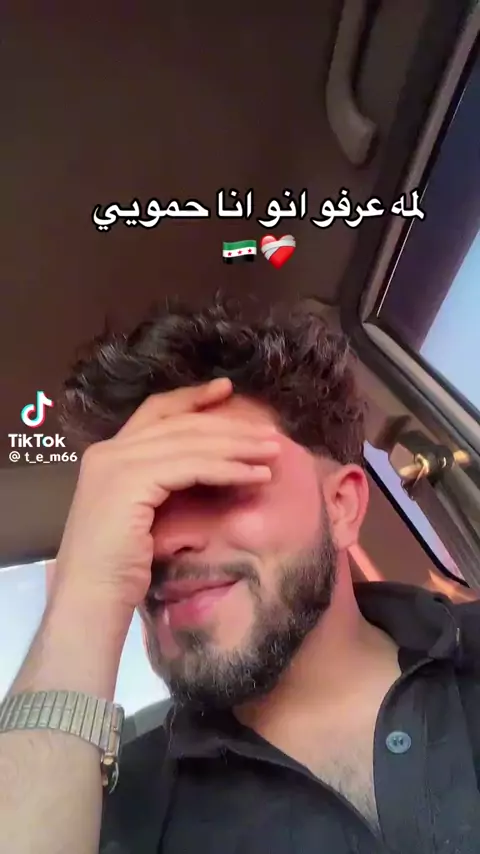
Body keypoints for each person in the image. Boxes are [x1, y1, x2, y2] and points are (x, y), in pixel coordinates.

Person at [1, 300, 479, 854]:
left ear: (342, 506)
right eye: (139, 510)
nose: (160, 543)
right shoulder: (108, 818)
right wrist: (84, 596)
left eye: (217, 483)